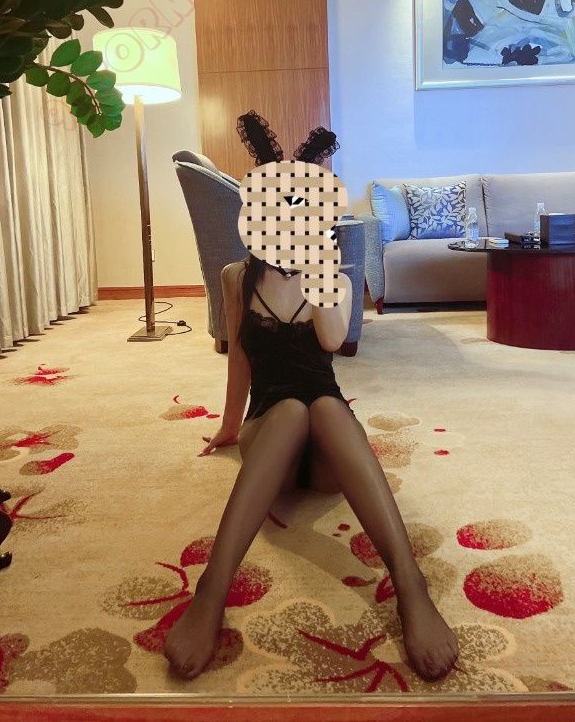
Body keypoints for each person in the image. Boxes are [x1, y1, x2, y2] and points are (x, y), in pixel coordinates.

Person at [162, 252, 460, 682]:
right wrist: (229, 425)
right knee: (291, 411)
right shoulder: (236, 277)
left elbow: (332, 340)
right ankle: (211, 590)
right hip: (270, 434)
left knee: (323, 407)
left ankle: (410, 584)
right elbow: (239, 358)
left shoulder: (337, 281)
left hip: (327, 451)